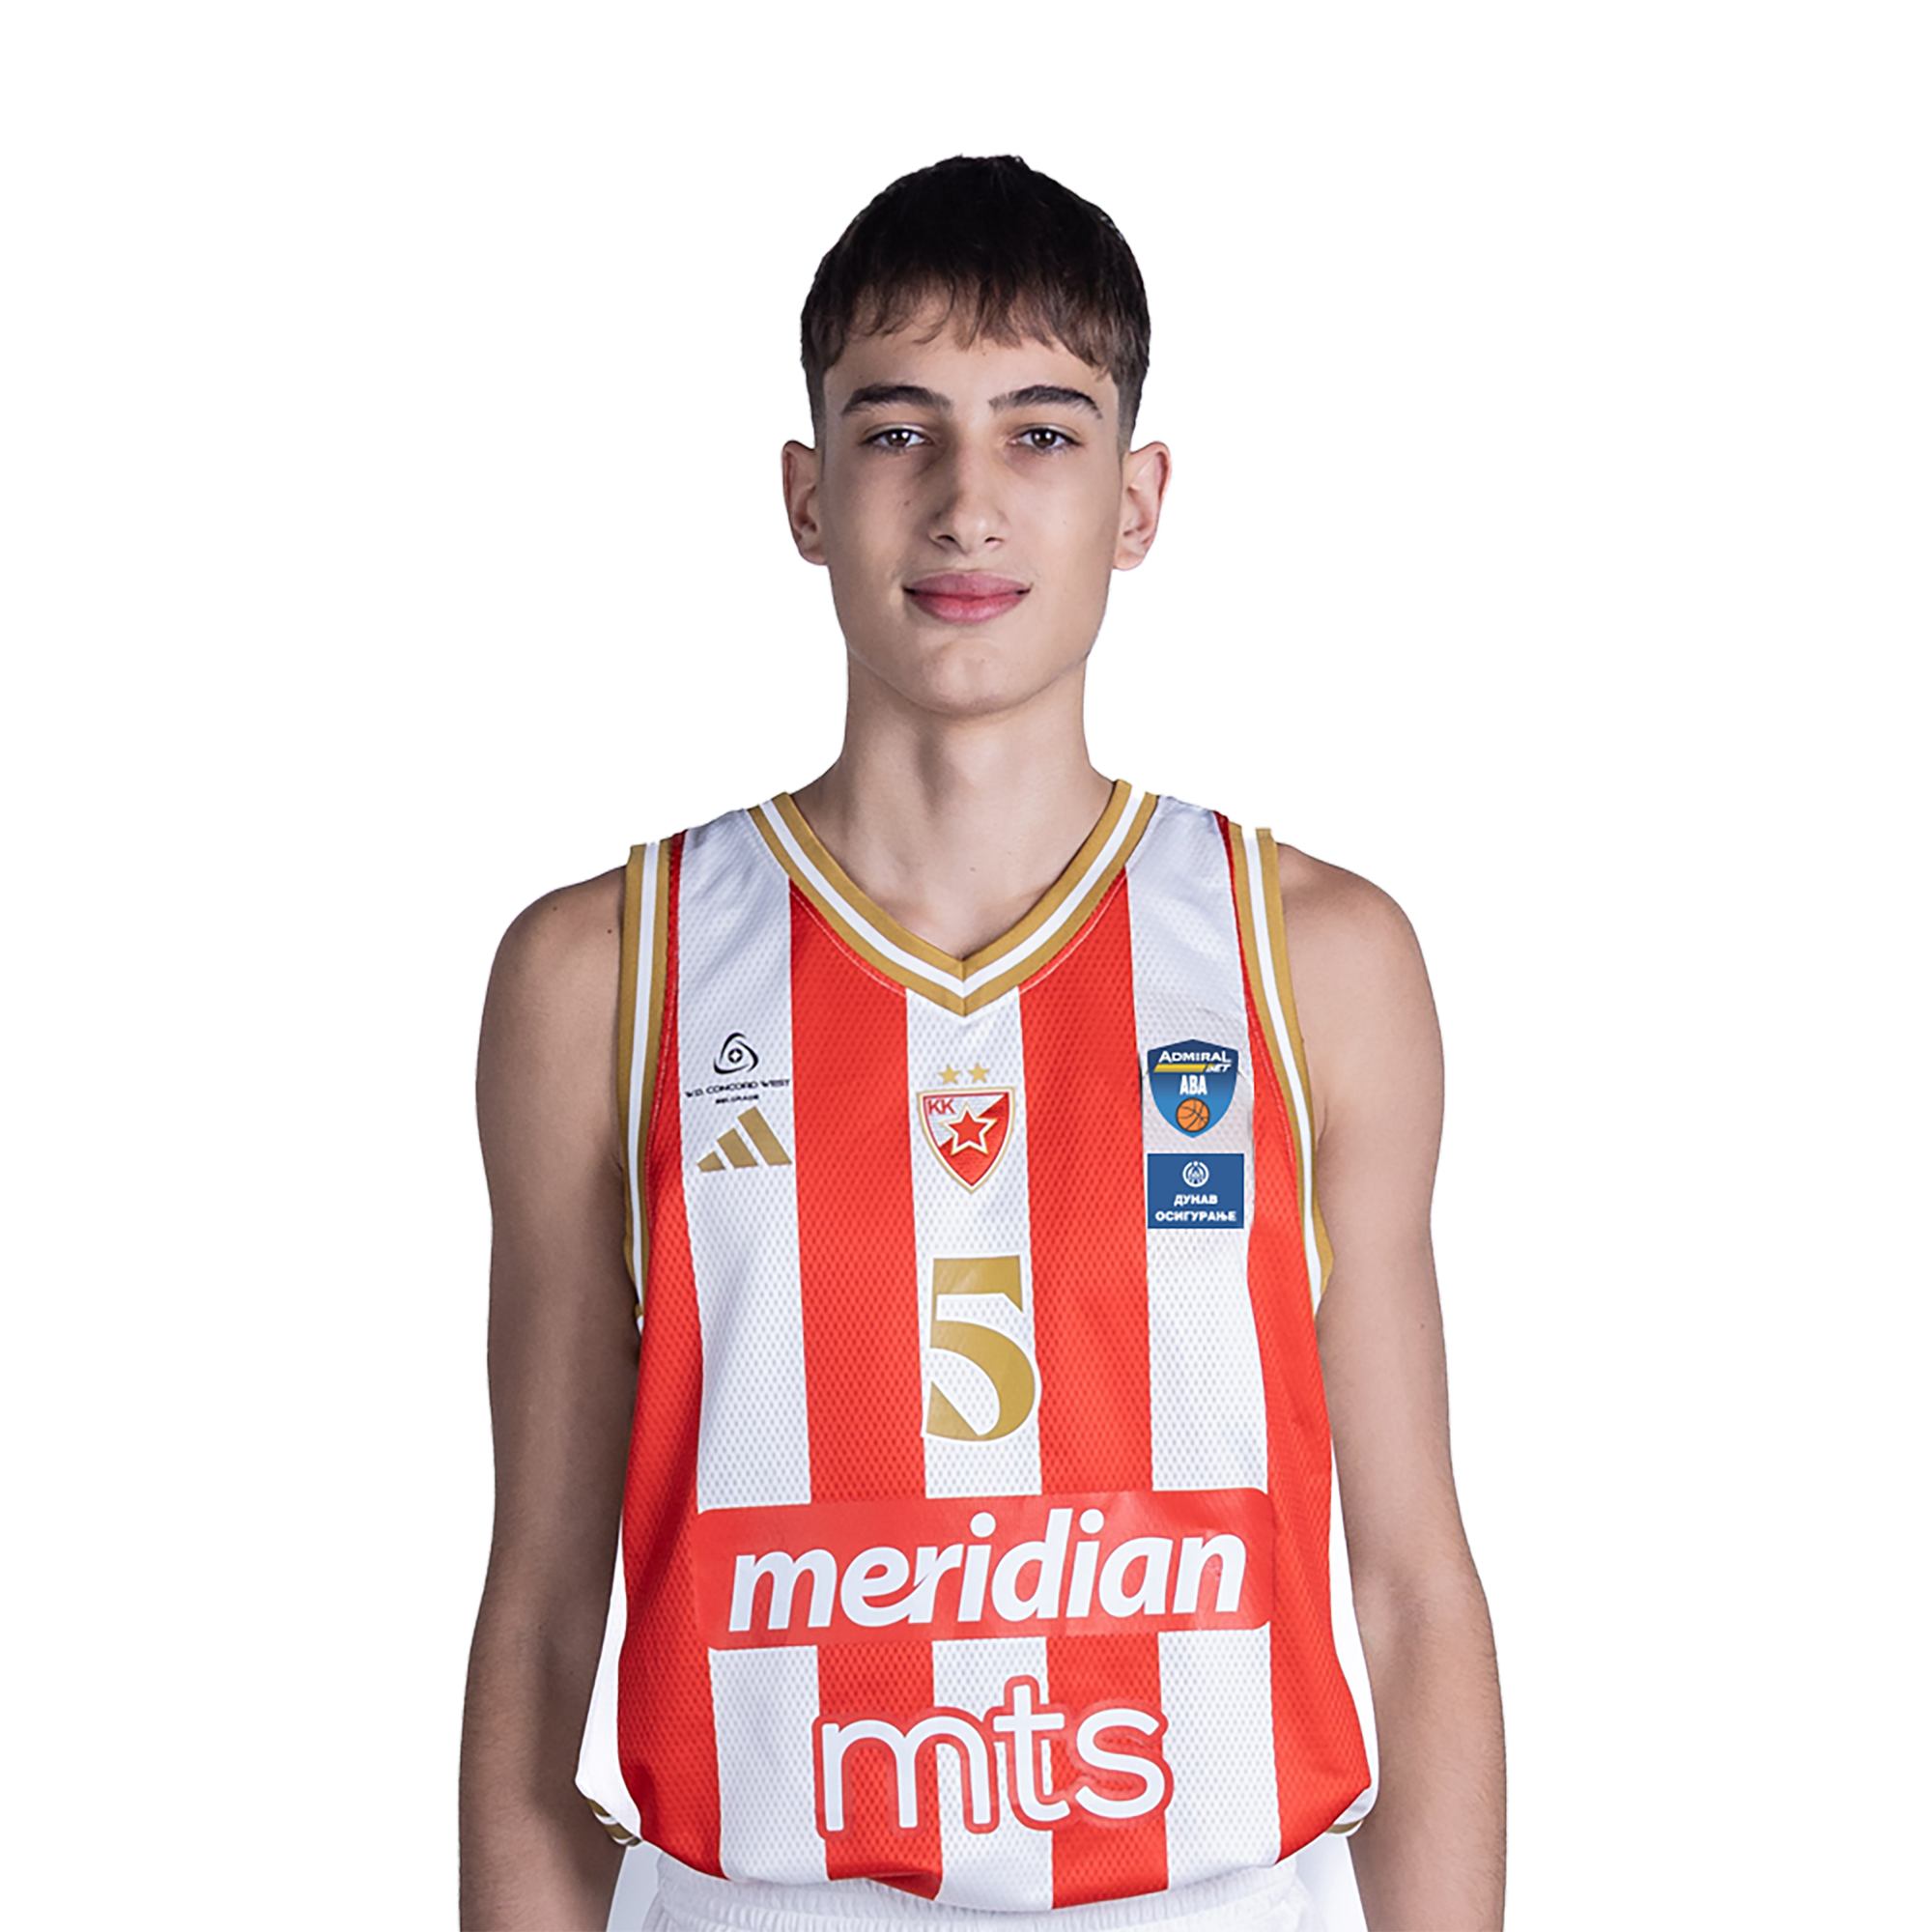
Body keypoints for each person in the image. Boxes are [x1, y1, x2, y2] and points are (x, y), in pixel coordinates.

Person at [459, 156, 1504, 1932]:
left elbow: (1409, 1592)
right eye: (898, 432)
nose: (966, 504)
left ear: (1138, 498)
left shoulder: (1316, 957)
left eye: (1041, 433)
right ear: (806, 493)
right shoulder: (602, 970)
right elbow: (542, 1609)